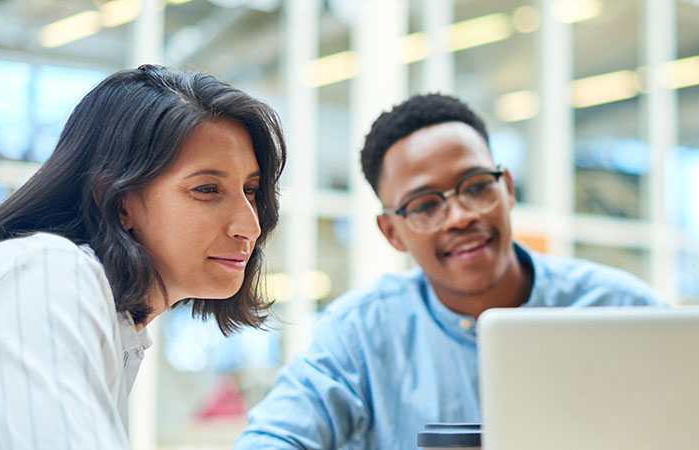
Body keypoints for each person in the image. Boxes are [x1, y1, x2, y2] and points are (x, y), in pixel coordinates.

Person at [235, 93, 664, 449]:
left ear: (508, 189)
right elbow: (274, 437)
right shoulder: (360, 334)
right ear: (392, 232)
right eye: (425, 205)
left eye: (477, 187)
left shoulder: (625, 310)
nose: (459, 217)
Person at [0, 64, 286, 449]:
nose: (249, 227)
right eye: (207, 189)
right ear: (118, 201)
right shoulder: (46, 272)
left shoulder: (122, 328)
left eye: (250, 190)